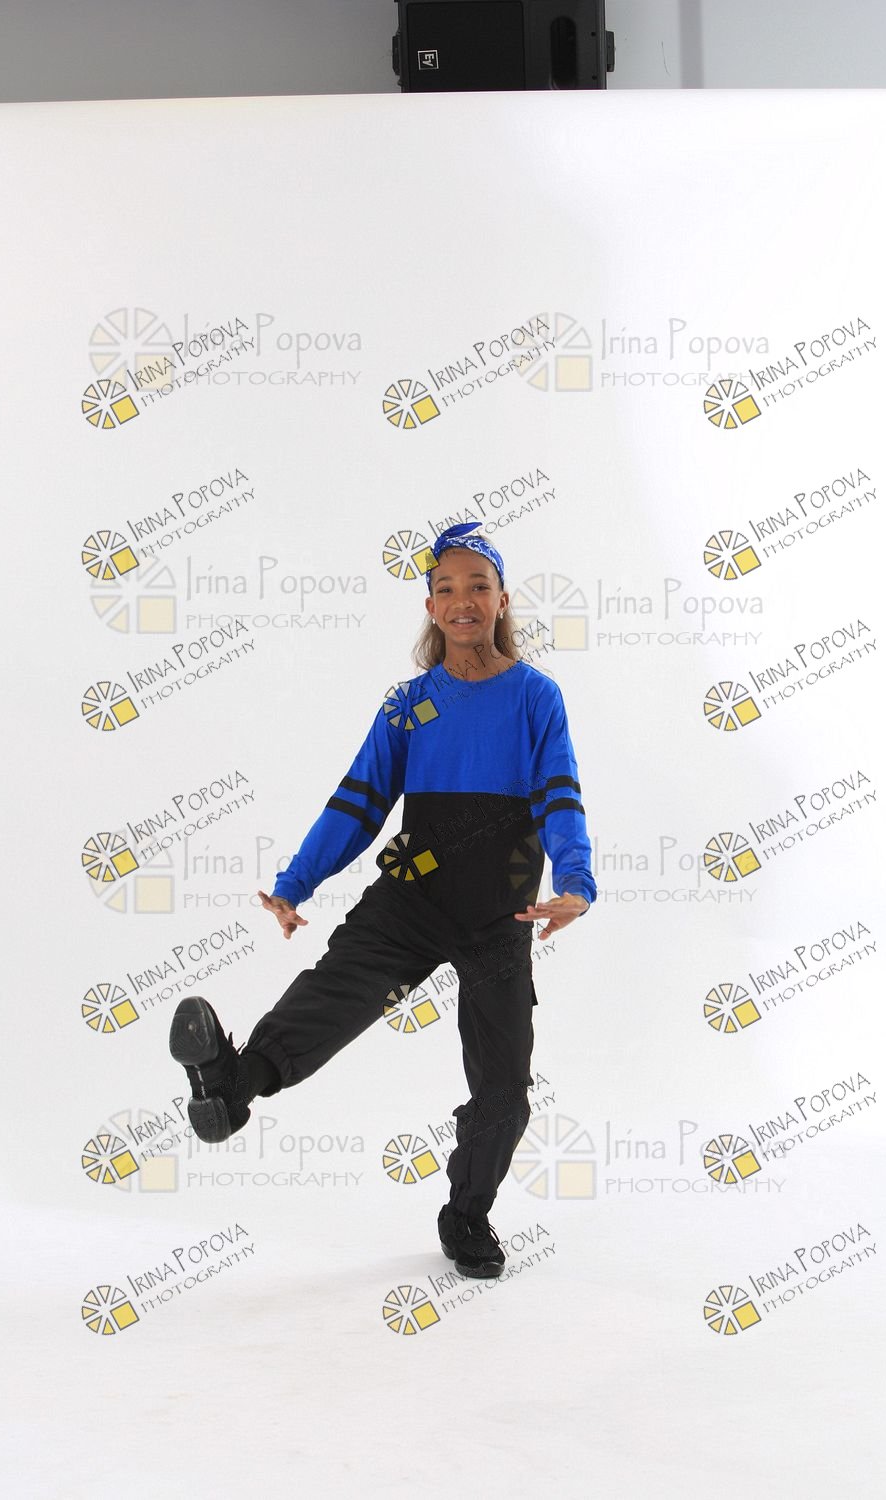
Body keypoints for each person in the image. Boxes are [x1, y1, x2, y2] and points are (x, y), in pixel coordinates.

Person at [169, 522, 597, 1278]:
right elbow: (359, 800)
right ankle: (232, 1086)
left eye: (478, 587)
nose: (463, 601)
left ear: (501, 600)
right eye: (446, 589)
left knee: (504, 1090)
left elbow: (559, 793)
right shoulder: (410, 706)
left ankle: (467, 1215)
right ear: (430, 607)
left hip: (500, 914)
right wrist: (295, 883)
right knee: (333, 995)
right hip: (412, 896)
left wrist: (575, 883)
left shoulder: (535, 696)